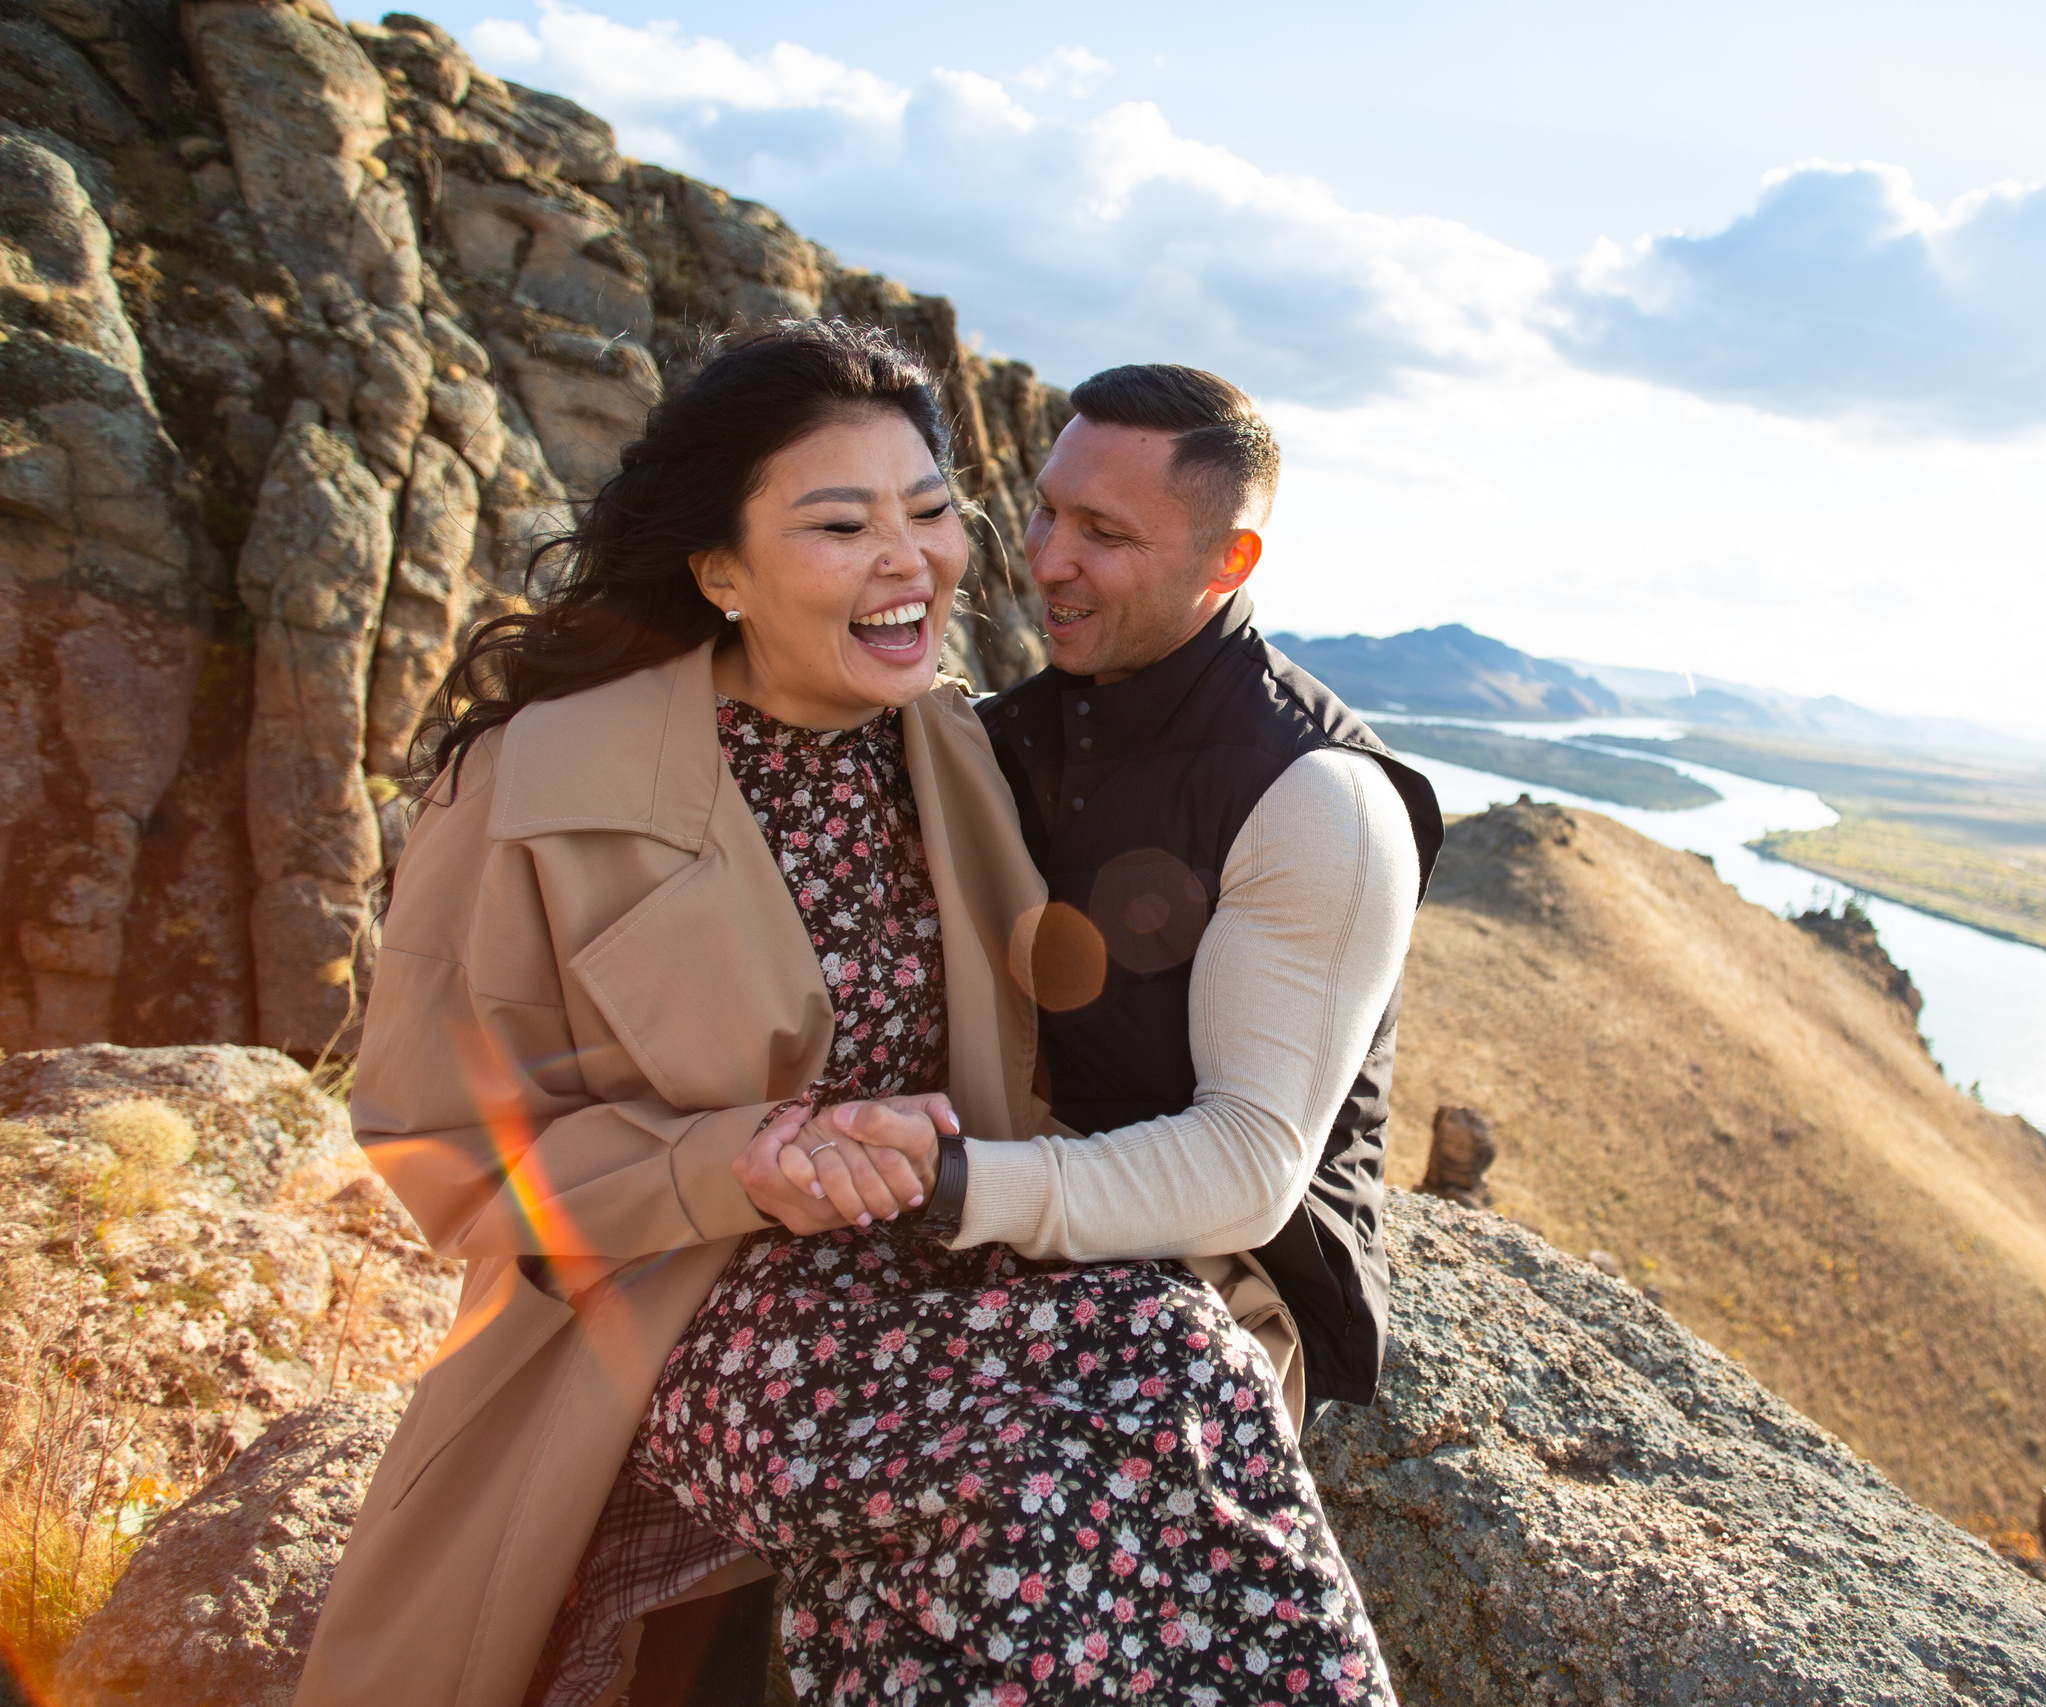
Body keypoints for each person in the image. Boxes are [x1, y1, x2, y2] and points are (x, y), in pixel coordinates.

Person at [296, 324, 1396, 1707]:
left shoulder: (957, 751)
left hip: (942, 1244)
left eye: (932, 511)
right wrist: (728, 1160)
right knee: (1022, 1480)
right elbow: (439, 1140)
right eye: (842, 523)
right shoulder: (536, 780)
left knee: (1190, 1372)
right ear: (721, 571)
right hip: (693, 1287)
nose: (916, 557)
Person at [979, 364, 1443, 1424]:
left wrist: (953, 1187)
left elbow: (1244, 1167)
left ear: (1228, 560)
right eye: (1045, 510)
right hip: (1006, 1205)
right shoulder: (1002, 736)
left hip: (1216, 1280)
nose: (1048, 558)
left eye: (1103, 531)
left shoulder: (1320, 794)